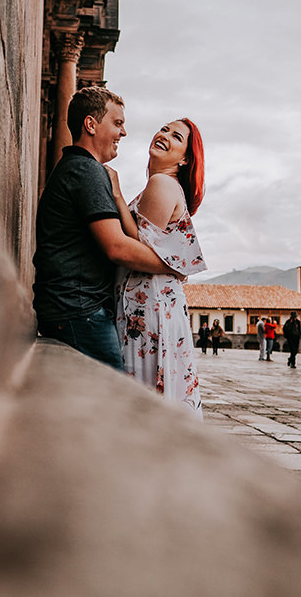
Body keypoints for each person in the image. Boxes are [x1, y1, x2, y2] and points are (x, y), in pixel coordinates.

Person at [33, 87, 176, 369]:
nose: (123, 133)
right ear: (91, 124)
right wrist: (172, 265)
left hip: (72, 312)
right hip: (79, 314)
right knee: (109, 407)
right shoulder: (86, 171)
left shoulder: (76, 168)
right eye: (118, 123)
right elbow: (117, 247)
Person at [112, 117, 207, 416]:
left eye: (176, 137)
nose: (164, 135)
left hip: (147, 306)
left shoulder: (162, 183)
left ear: (185, 159)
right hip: (157, 304)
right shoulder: (165, 185)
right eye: (164, 129)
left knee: (140, 397)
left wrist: (115, 194)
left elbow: (136, 247)